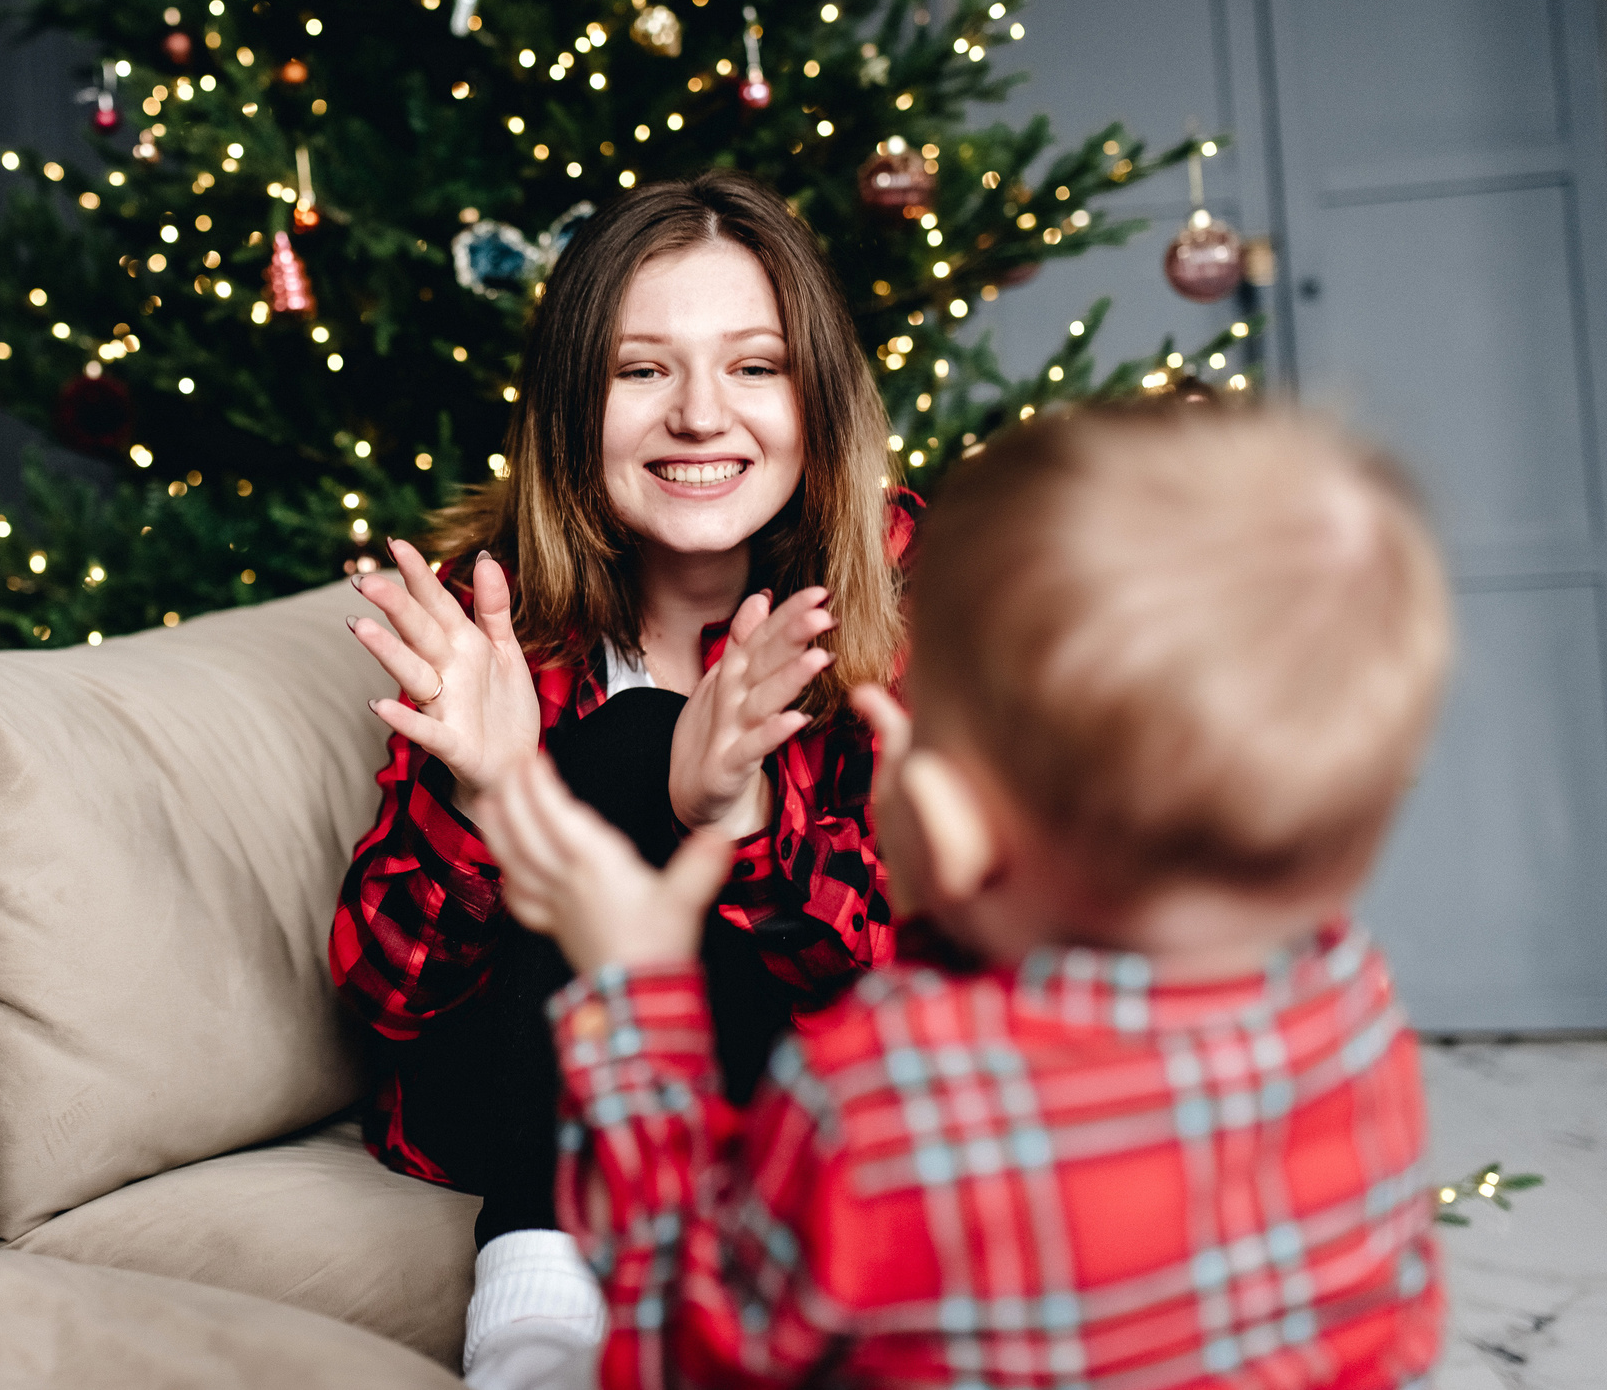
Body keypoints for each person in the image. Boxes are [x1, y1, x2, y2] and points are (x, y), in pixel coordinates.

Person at [480, 402, 1451, 1390]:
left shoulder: (879, 1090)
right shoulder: (1353, 1005)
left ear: (944, 818)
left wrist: (637, 1000)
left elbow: (681, 1355)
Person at [330, 172, 913, 1377]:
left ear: (818, 402)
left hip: (790, 1079)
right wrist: (491, 795)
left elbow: (897, 987)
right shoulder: (496, 619)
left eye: (755, 367)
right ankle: (538, 1315)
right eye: (641, 370)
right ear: (570, 405)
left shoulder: (907, 603)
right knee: (628, 736)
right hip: (507, 1086)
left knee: (655, 749)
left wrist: (734, 816)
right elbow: (386, 1001)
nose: (701, 415)